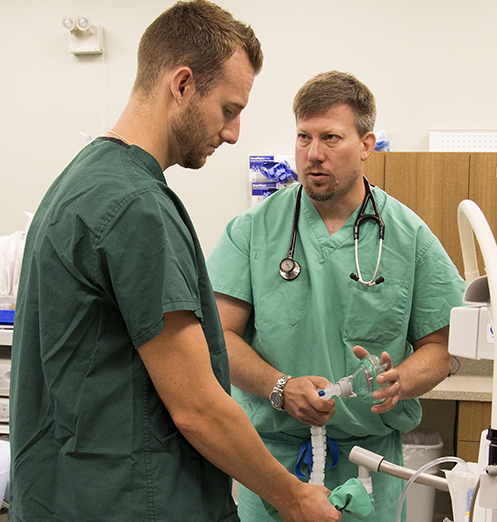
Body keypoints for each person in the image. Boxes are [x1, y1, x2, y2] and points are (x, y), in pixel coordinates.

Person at [9, 3, 342, 522]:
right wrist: (294, 497)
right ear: (183, 85)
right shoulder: (136, 206)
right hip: (134, 500)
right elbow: (198, 408)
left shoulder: (79, 182)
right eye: (229, 109)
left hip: (68, 495)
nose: (232, 133)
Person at [207, 70, 467, 521]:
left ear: (366, 145)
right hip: (272, 465)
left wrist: (403, 380)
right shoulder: (253, 232)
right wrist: (280, 387)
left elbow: (442, 346)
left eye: (330, 138)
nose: (313, 154)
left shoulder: (409, 238)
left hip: (370, 467)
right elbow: (217, 338)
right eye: (303, 137)